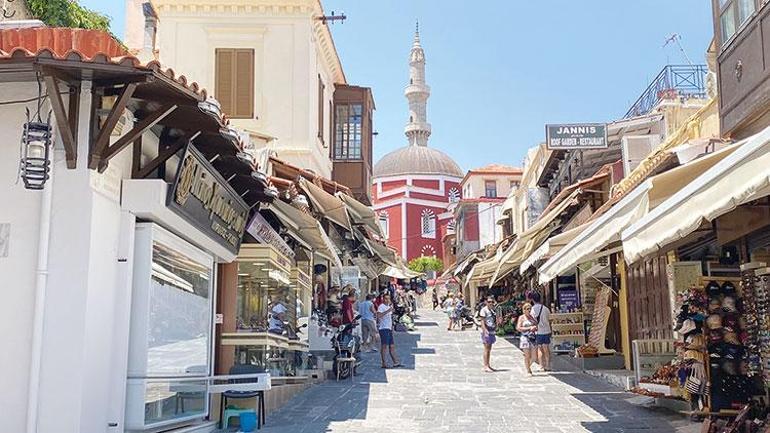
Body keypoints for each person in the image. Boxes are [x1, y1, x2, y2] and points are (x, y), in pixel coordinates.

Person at [376, 292, 402, 368]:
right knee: (384, 346)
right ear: (383, 299)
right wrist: (388, 311)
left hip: (389, 328)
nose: (387, 300)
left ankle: (395, 362)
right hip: (383, 329)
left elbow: (389, 318)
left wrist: (392, 328)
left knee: (392, 346)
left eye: (388, 299)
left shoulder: (388, 306)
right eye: (386, 298)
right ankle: (383, 363)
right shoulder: (381, 307)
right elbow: (379, 315)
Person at [530, 292, 552, 372]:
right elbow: (549, 320)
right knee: (546, 348)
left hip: (538, 332)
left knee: (540, 349)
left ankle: (541, 366)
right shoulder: (546, 308)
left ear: (532, 299)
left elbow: (532, 321)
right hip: (547, 330)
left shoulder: (532, 309)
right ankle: (548, 365)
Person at [515, 302, 537, 375]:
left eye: (530, 309)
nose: (529, 310)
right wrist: (529, 328)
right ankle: (528, 370)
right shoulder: (521, 317)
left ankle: (527, 366)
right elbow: (518, 328)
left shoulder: (532, 317)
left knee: (534, 357)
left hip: (532, 337)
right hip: (525, 337)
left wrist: (535, 327)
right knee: (527, 355)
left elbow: (536, 325)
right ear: (524, 310)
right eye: (527, 309)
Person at [479, 296, 497, 372]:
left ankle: (488, 365)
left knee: (489, 349)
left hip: (492, 331)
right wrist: (485, 331)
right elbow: (482, 321)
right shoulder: (484, 310)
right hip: (487, 331)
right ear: (486, 302)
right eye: (489, 302)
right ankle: (485, 366)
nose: (491, 303)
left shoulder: (492, 310)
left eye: (492, 302)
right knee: (486, 348)